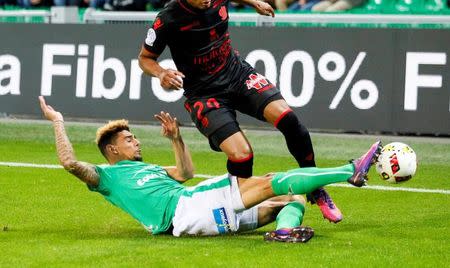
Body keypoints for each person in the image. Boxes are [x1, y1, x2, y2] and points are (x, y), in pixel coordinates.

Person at [137, 0, 344, 224]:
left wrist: (253, 3)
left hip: (236, 73)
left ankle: (316, 188)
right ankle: (239, 212)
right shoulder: (167, 19)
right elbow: (145, 58)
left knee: (289, 120)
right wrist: (162, 73)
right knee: (242, 154)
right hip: (204, 93)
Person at [38, 95, 381, 241]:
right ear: (112, 149)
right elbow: (69, 162)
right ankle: (349, 170)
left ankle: (283, 233)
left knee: (290, 202)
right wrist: (58, 121)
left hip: (196, 218)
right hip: (187, 207)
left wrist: (176, 140)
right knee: (272, 181)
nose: (136, 142)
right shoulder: (107, 177)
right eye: (129, 139)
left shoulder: (151, 170)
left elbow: (185, 173)